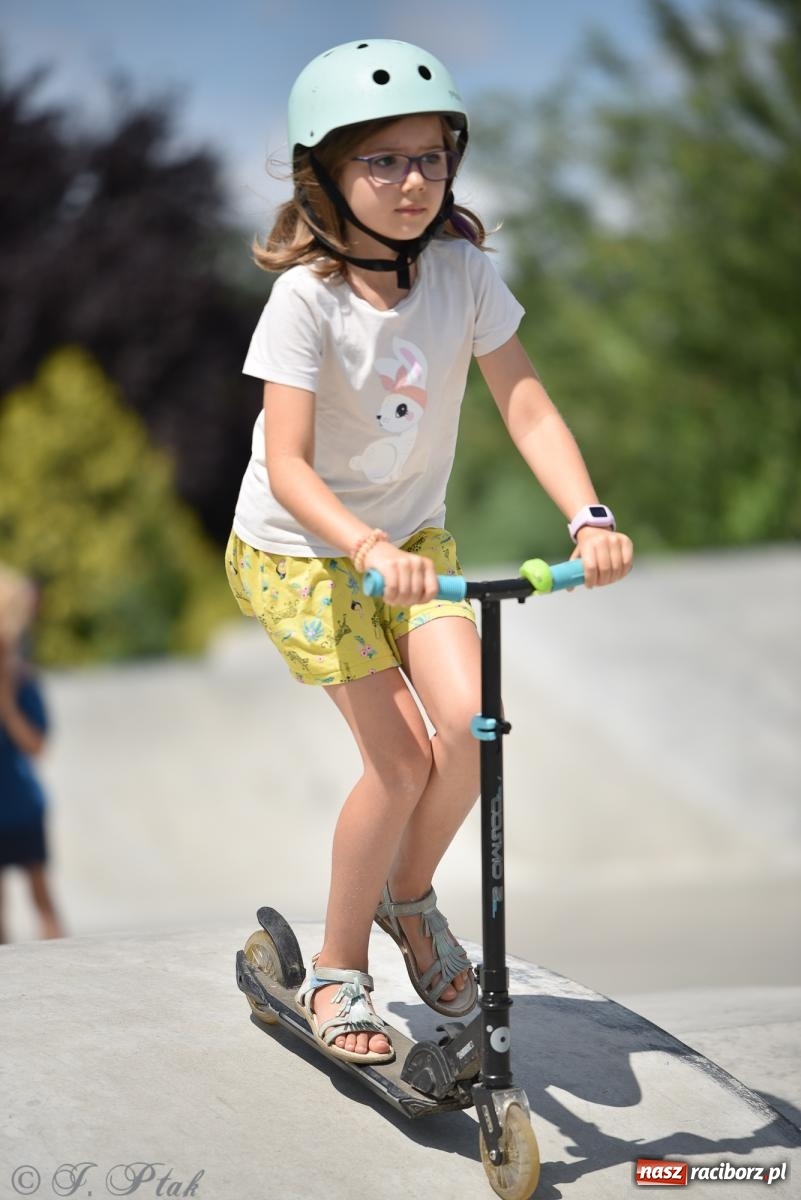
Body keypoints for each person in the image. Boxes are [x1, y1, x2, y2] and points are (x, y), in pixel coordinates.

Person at [226, 39, 633, 1065]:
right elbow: (286, 463)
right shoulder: (305, 303)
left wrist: (588, 513)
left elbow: (527, 404)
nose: (414, 183)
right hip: (304, 552)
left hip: (411, 542)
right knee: (401, 760)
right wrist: (362, 542)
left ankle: (411, 901)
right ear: (325, 177)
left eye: (431, 159)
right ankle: (335, 967)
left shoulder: (461, 274)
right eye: (384, 162)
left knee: (473, 731)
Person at [0, 565, 64, 942]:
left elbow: (37, 746)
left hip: (22, 805)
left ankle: (65, 971)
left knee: (41, 895)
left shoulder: (24, 681)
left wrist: (7, 705)